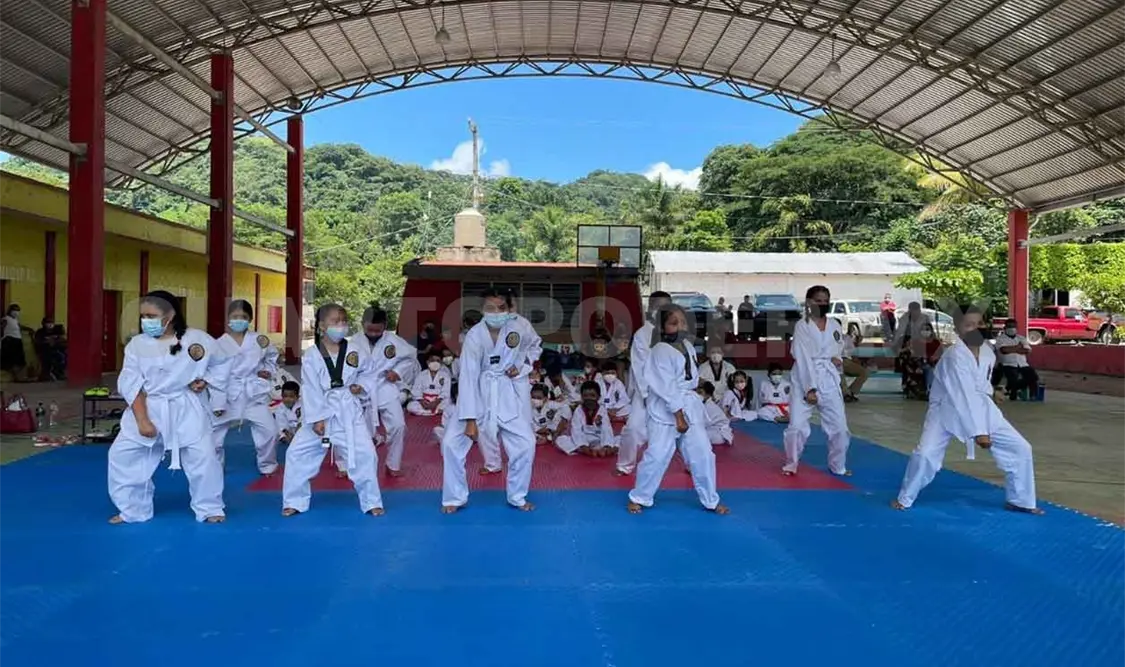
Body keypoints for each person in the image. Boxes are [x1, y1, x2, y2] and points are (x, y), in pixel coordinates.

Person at [893, 306, 1043, 515]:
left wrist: (992, 393)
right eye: (969, 325)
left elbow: (978, 386)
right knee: (926, 454)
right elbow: (963, 395)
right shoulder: (955, 356)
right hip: (945, 409)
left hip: (980, 406)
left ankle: (1020, 500)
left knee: (1020, 448)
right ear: (958, 328)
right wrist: (980, 432)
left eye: (979, 323)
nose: (976, 328)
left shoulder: (987, 352)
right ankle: (905, 498)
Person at [107, 291, 231, 524]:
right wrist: (143, 421)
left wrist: (205, 380)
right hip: (149, 405)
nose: (146, 321)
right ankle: (133, 509)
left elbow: (222, 363)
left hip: (186, 405)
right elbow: (130, 384)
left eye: (151, 316)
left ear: (170, 315)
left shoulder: (197, 340)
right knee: (123, 456)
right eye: (143, 316)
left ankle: (209, 507)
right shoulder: (137, 345)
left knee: (203, 457)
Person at [441, 288, 541, 513]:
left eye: (501, 308)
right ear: (482, 310)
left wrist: (523, 365)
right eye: (490, 308)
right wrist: (470, 419)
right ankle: (455, 497)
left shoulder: (518, 328)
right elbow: (467, 376)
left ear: (509, 309)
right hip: (477, 392)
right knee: (450, 444)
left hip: (505, 392)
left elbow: (534, 348)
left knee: (526, 443)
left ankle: (517, 496)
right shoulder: (474, 336)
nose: (496, 312)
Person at [282, 304, 384, 517]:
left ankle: (371, 501)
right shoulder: (311, 355)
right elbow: (310, 388)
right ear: (321, 326)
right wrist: (318, 418)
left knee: (365, 454)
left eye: (344, 321)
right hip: (322, 411)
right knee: (297, 454)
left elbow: (370, 372)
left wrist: (361, 386)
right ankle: (294, 501)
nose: (341, 325)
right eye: (335, 321)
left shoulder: (356, 351)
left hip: (348, 409)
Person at [626, 303, 729, 515]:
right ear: (663, 328)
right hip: (665, 410)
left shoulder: (688, 346)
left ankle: (710, 499)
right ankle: (640, 496)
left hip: (688, 405)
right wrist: (679, 416)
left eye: (683, 322)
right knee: (658, 454)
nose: (680, 326)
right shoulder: (659, 350)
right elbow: (667, 387)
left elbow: (687, 378)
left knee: (703, 453)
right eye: (674, 323)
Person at [784, 285, 850, 476]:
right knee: (796, 427)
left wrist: (838, 360)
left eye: (825, 301)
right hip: (804, 378)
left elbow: (838, 350)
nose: (822, 304)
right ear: (808, 302)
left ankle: (838, 465)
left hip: (828, 377)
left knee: (840, 428)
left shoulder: (835, 325)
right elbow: (803, 357)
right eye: (818, 301)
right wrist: (809, 388)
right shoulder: (802, 326)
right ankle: (791, 464)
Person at [211, 300, 280, 475]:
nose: (238, 320)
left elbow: (272, 357)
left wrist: (266, 371)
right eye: (234, 317)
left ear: (250, 319)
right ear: (228, 318)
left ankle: (267, 465)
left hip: (253, 393)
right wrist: (217, 402)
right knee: (213, 436)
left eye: (243, 317)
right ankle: (214, 467)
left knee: (270, 431)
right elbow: (214, 375)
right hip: (228, 394)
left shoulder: (260, 340)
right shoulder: (218, 344)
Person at [349, 303, 415, 477]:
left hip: (384, 385)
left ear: (385, 326)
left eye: (377, 331)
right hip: (361, 389)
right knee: (359, 431)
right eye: (369, 330)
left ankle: (393, 465)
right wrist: (352, 384)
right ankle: (356, 465)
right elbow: (345, 368)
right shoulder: (353, 342)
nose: (373, 334)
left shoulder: (394, 342)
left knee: (398, 425)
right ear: (362, 324)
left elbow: (410, 359)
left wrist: (397, 372)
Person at [616, 291, 672, 477]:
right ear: (651, 309)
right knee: (633, 429)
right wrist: (648, 395)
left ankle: (691, 464)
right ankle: (625, 465)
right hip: (646, 392)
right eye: (659, 307)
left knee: (684, 430)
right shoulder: (642, 334)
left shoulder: (676, 333)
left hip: (671, 392)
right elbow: (640, 368)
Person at [569, 380, 618, 456]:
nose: (589, 398)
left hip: (599, 439)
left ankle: (607, 450)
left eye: (592, 395)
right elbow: (576, 430)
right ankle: (588, 450)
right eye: (585, 396)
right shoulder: (578, 410)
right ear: (581, 397)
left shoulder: (602, 410)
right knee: (561, 439)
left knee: (622, 438)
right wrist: (583, 445)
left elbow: (606, 428)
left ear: (599, 397)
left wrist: (607, 445)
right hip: (584, 439)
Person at [994, 320, 1039, 400]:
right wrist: (1018, 348)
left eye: (1013, 326)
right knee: (1013, 377)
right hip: (1007, 364)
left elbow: (1027, 350)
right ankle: (1012, 393)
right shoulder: (1000, 339)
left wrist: (1011, 349)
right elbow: (1003, 350)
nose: (1011, 328)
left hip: (1022, 364)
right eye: (1009, 326)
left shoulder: (1021, 338)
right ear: (1005, 327)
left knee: (1033, 377)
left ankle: (1032, 396)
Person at [407, 351, 453, 415]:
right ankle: (434, 412)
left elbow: (446, 392)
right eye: (433, 360)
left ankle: (427, 412)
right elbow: (416, 390)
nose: (435, 363)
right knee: (410, 406)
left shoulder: (445, 375)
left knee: (448, 403)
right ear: (428, 362)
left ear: (441, 363)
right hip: (425, 400)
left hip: (438, 400)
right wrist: (422, 401)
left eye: (438, 361)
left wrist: (436, 402)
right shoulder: (421, 374)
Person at [530, 383, 572, 451]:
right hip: (538, 431)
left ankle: (550, 435)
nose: (535, 400)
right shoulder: (529, 407)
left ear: (546, 398)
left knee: (561, 413)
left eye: (539, 398)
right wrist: (539, 430)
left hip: (554, 429)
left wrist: (560, 426)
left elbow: (566, 408)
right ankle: (544, 437)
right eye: (533, 397)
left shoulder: (550, 404)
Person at [698, 381, 733, 446]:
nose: (697, 395)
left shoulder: (710, 406)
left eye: (700, 393)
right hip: (712, 428)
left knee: (696, 436)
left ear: (708, 395)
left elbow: (703, 423)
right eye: (696, 392)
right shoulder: (702, 404)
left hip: (719, 433)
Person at [839, 330, 869, 402]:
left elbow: (852, 350)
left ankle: (851, 392)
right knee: (839, 370)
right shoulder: (825, 337)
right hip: (831, 361)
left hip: (845, 360)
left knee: (864, 372)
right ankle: (846, 394)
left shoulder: (846, 337)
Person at [0, 304, 26, 379]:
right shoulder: (6, 319)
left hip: (17, 340)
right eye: (14, 310)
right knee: (11, 360)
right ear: (10, 311)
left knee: (19, 361)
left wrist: (30, 330)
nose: (16, 312)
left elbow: (20, 326)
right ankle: (15, 376)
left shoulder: (15, 320)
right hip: (10, 340)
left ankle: (17, 376)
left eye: (18, 310)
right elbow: (2, 328)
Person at [274, 381, 301, 446]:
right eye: (285, 396)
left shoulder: (302, 405)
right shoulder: (280, 408)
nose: (287, 399)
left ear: (297, 397)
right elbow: (281, 425)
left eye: (291, 396)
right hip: (290, 433)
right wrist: (286, 435)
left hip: (303, 432)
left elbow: (302, 423)